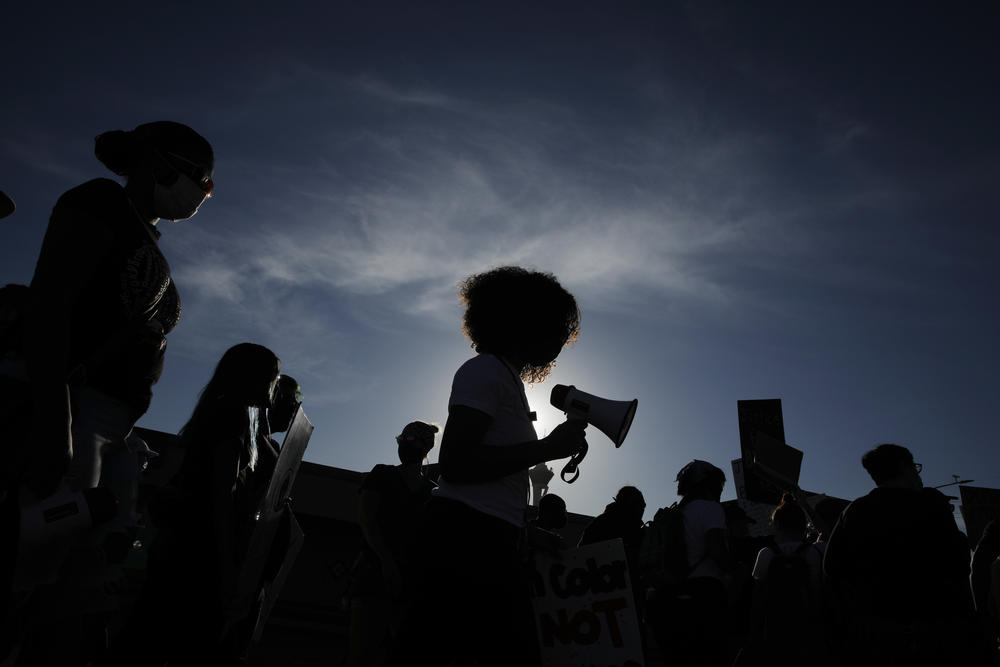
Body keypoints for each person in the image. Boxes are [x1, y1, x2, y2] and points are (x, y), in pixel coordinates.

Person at [386, 266, 587, 667]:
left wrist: (527, 533)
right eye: (555, 327)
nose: (561, 340)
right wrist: (547, 447)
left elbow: (489, 486)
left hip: (484, 538)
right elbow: (458, 465)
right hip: (465, 541)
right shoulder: (484, 371)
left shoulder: (504, 378)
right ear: (524, 322)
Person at [16, 121, 213, 500]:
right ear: (158, 163)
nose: (203, 194)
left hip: (114, 424)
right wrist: (55, 421)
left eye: (208, 189)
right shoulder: (101, 202)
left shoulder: (148, 239)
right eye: (202, 180)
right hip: (74, 409)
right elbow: (50, 305)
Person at [114, 342, 280, 665]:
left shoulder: (226, 416)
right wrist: (228, 570)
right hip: (197, 555)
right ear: (254, 378)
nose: (276, 383)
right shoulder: (230, 419)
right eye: (273, 376)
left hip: (184, 548)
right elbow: (222, 499)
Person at [823, 444, 981, 666]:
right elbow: (960, 563)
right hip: (933, 632)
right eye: (915, 468)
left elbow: (831, 568)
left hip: (875, 636)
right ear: (905, 468)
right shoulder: (931, 506)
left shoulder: (855, 511)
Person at [346, 421, 439, 667]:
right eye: (401, 439)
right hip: (373, 576)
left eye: (410, 439)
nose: (403, 444)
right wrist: (386, 561)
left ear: (426, 446)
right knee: (360, 654)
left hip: (411, 585)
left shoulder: (433, 493)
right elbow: (367, 520)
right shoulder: (382, 474)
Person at [648, 460, 734, 667]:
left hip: (669, 596)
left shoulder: (674, 514)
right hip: (705, 594)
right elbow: (715, 550)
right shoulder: (711, 509)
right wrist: (735, 569)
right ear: (709, 483)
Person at [741, 493, 828, 665]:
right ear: (803, 525)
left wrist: (754, 632)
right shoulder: (814, 553)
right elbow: (818, 590)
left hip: (774, 627)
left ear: (776, 525)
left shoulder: (766, 554)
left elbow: (757, 596)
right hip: (808, 627)